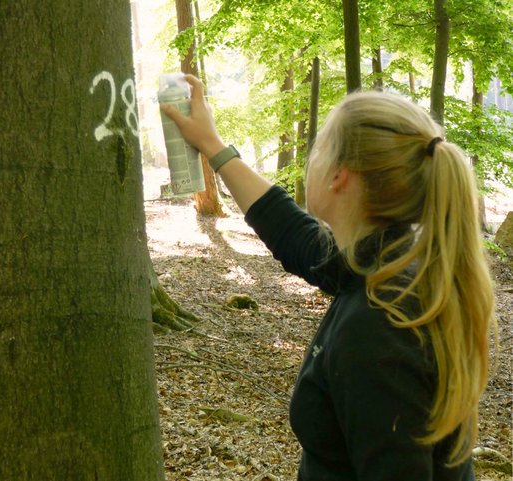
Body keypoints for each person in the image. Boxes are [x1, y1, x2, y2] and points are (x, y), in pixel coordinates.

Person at [162, 75, 495, 481]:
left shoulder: (379, 324)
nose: (310, 159)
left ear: (340, 175)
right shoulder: (388, 267)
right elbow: (297, 238)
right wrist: (212, 146)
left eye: (319, 147)